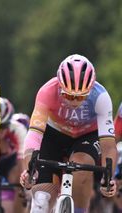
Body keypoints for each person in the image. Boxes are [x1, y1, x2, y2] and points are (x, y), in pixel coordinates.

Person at [19, 54, 117, 213]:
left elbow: (109, 146)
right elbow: (34, 134)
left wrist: (108, 178)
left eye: (81, 96)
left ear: (90, 89)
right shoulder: (47, 91)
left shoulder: (101, 97)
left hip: (87, 136)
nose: (74, 102)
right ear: (59, 86)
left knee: (81, 165)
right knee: (41, 201)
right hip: (54, 135)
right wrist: (30, 169)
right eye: (68, 95)